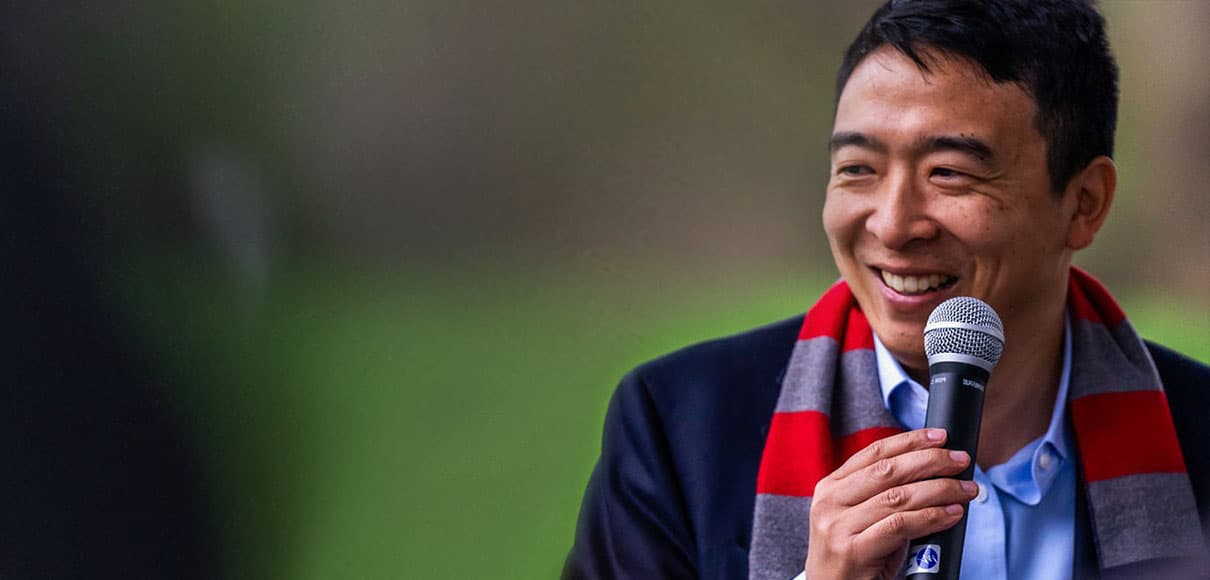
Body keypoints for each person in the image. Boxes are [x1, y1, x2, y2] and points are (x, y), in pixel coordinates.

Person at [563, 1, 1210, 579]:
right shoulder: (682, 427)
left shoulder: (1198, 434)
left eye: (950, 174)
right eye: (858, 170)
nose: (893, 225)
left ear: (1085, 203)